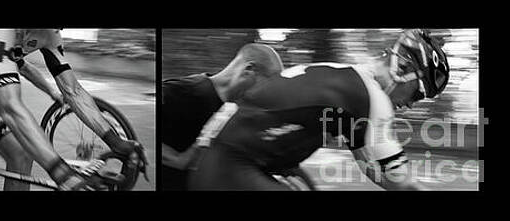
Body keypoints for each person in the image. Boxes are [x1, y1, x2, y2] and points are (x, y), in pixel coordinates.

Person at [185, 29, 446, 190]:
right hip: (229, 169)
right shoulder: (371, 99)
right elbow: (401, 183)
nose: (412, 103)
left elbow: (375, 171)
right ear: (402, 70)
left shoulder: (345, 77)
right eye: (419, 93)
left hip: (223, 162)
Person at [0, 29, 145, 191]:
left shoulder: (49, 34)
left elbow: (72, 90)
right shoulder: (1, 32)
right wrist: (61, 171)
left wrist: (115, 141)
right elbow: (10, 105)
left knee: (22, 152)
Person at [159, 43, 284, 191]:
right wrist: (177, 159)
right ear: (248, 70)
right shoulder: (185, 91)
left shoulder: (237, 109)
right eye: (264, 86)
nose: (263, 95)